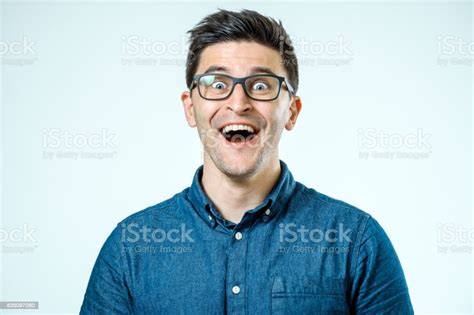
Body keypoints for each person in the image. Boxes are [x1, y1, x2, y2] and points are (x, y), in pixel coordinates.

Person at [80, 9, 414, 314]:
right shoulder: (131, 247)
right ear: (189, 107)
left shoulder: (355, 242)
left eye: (260, 85)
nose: (238, 103)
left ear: (292, 111)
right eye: (217, 84)